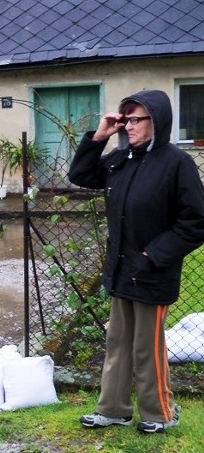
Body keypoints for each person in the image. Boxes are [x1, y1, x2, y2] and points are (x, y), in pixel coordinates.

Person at [68, 89, 204, 433]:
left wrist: (154, 255)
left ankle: (159, 414)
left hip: (152, 271)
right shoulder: (121, 160)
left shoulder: (177, 164)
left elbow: (196, 221)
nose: (128, 125)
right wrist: (99, 137)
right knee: (117, 343)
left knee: (147, 348)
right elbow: (81, 176)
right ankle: (113, 409)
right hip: (122, 269)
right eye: (124, 118)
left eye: (135, 119)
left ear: (155, 121)